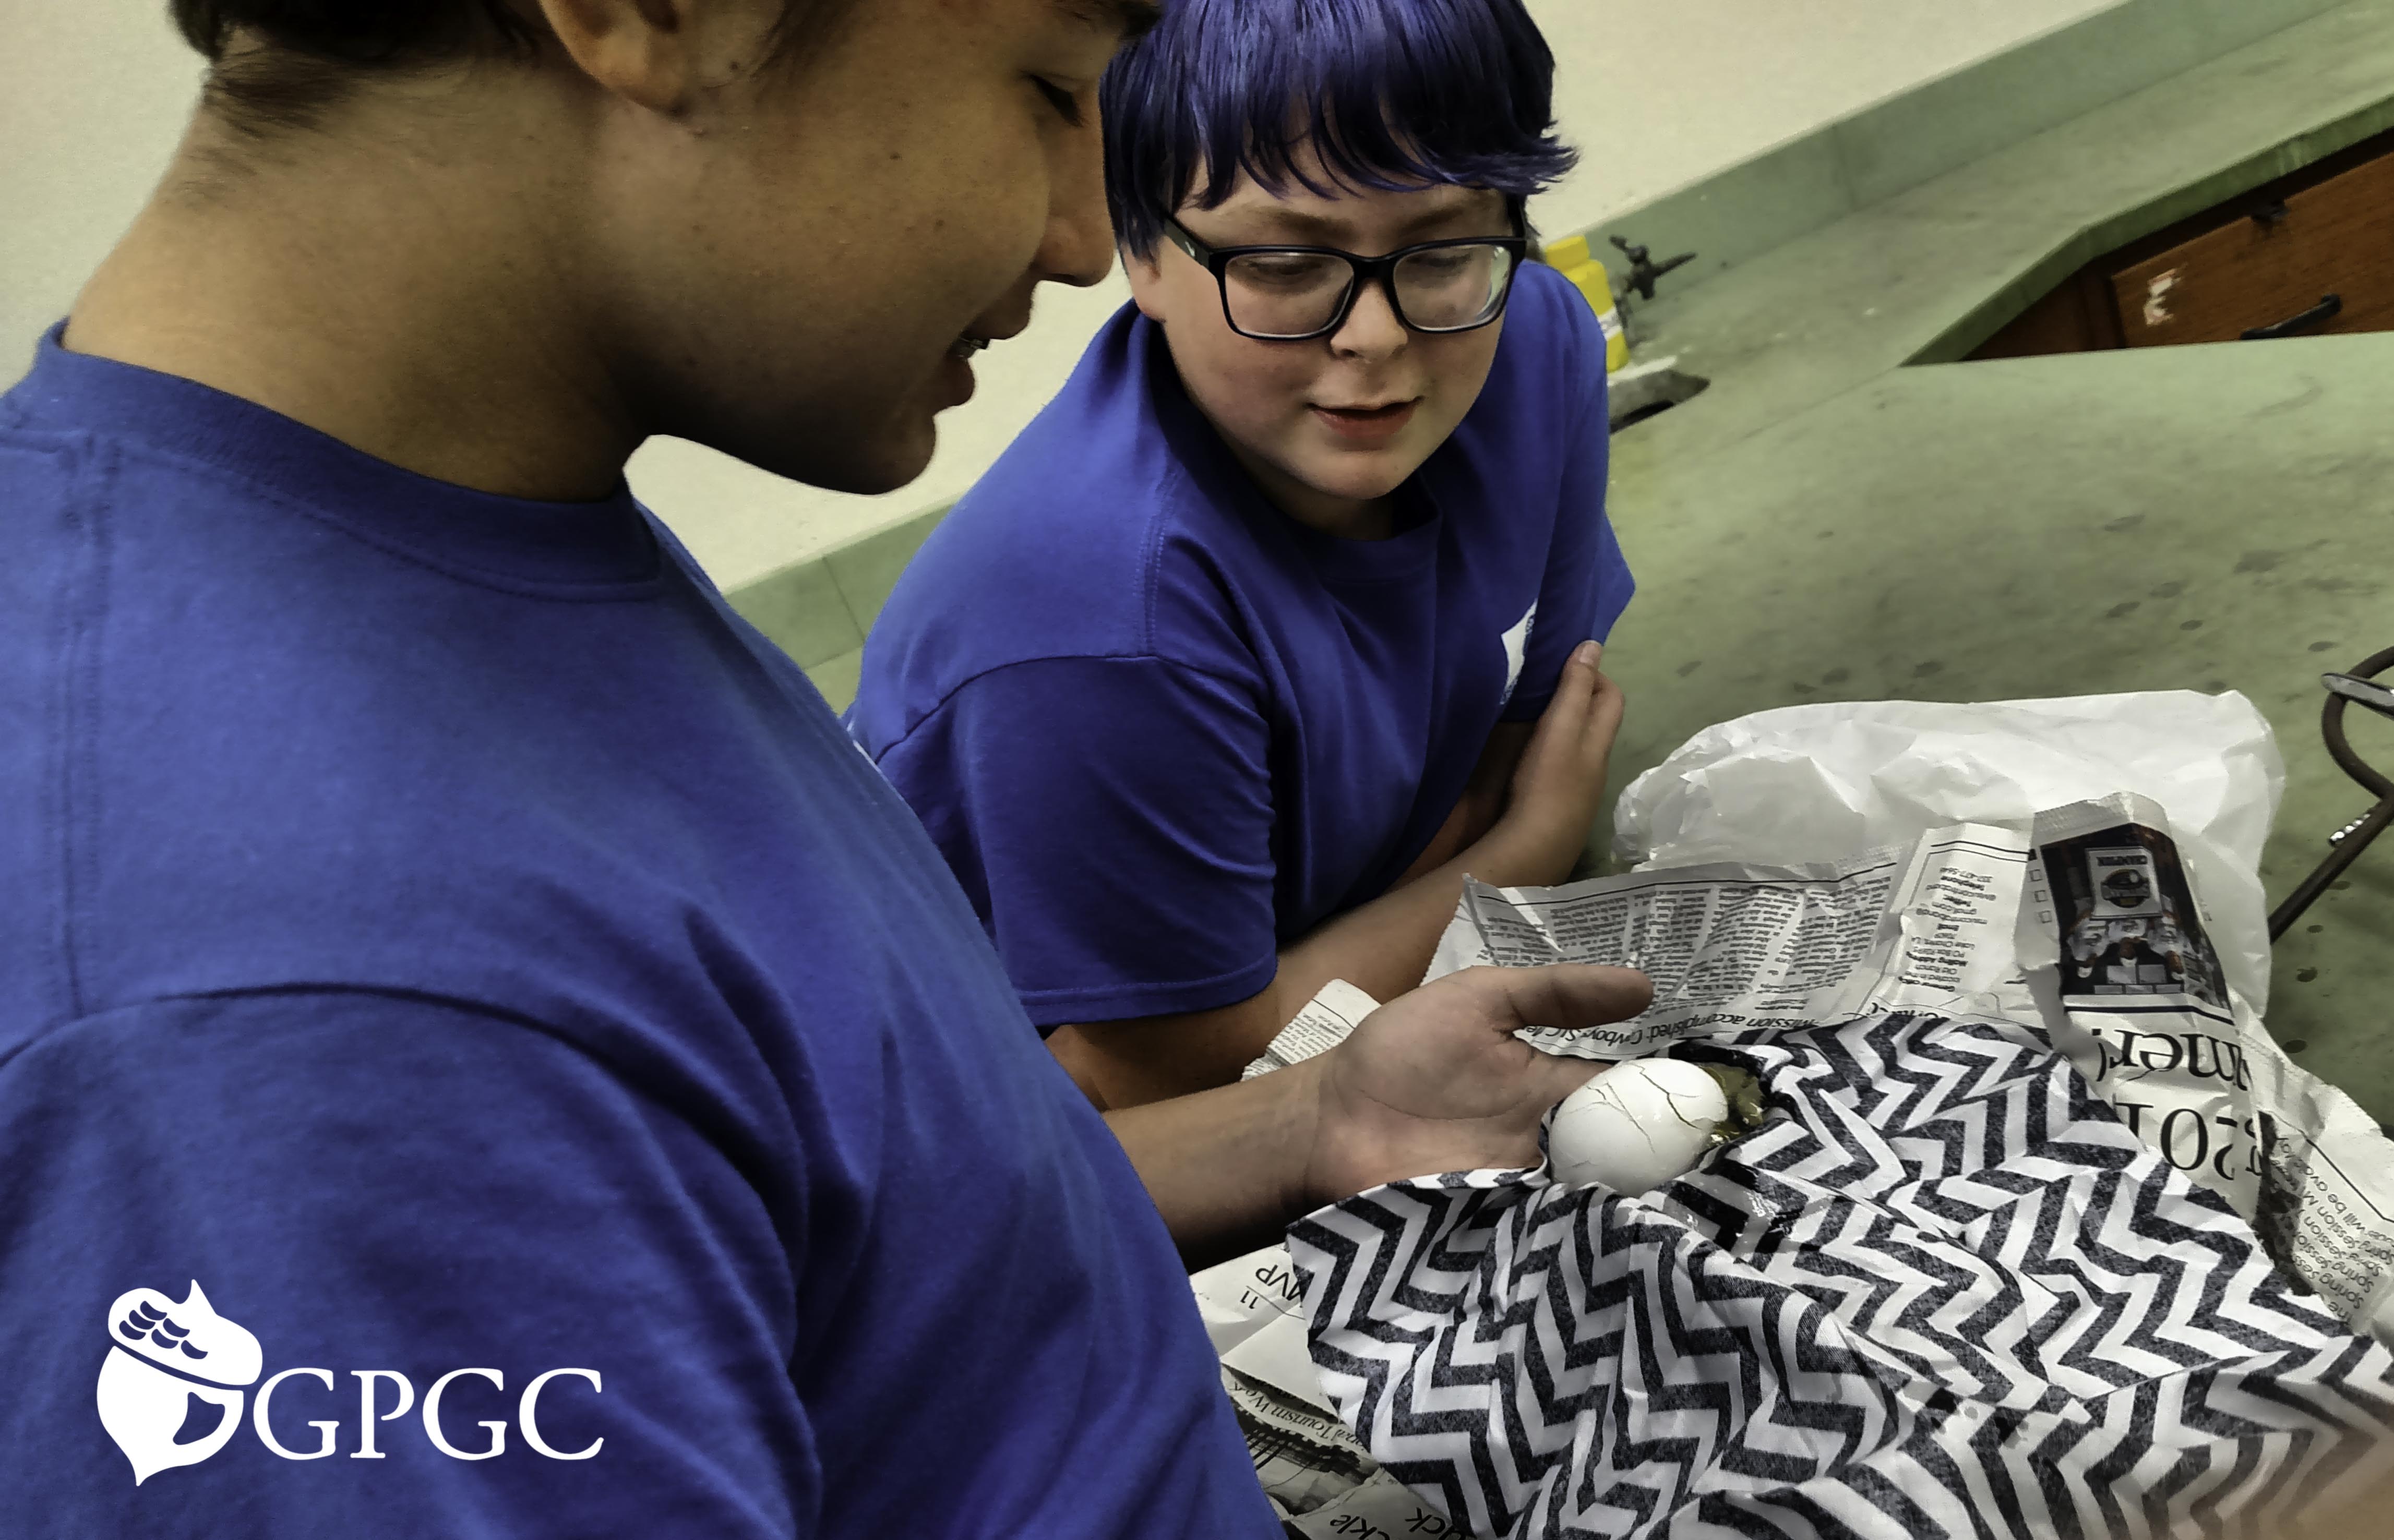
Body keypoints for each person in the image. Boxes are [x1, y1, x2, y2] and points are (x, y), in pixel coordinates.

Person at [0, 2, 1649, 1535]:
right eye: (1048, 87)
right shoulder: (275, 994)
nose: (1086, 241)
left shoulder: (482, 543)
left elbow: (884, 1251)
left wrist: (1314, 1121)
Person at [845, 0, 1637, 1109]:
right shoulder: (1095, 621)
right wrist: (1523, 853)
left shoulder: (1534, 343)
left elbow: (1520, 745)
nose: (1375, 337)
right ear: (1140, 250)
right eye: (1284, 262)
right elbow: (1154, 1075)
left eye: (1446, 249)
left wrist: (1450, 873)